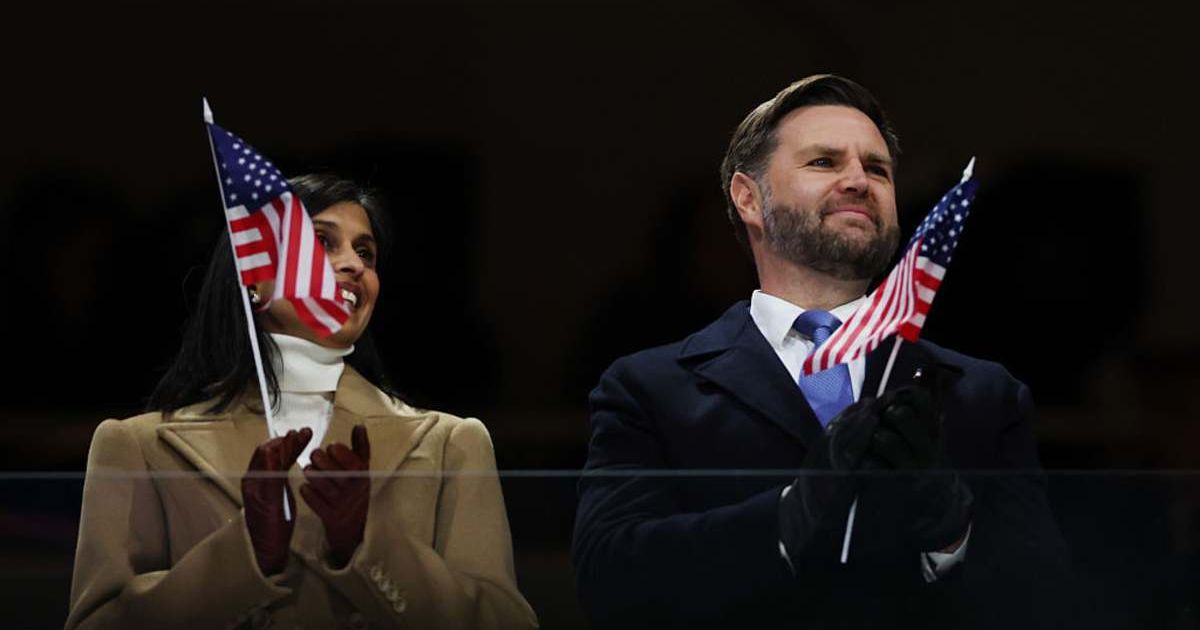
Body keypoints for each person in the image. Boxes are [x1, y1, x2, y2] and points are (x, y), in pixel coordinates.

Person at [572, 75, 1072, 629]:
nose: (858, 180)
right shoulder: (649, 389)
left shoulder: (984, 395)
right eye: (823, 162)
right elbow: (609, 583)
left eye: (877, 169)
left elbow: (1048, 606)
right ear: (748, 198)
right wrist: (788, 516)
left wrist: (952, 534)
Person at [66, 174, 538, 630]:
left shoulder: (453, 444)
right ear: (255, 278)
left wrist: (367, 545)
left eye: (365, 252)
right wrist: (246, 555)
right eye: (322, 242)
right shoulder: (137, 447)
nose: (353, 264)